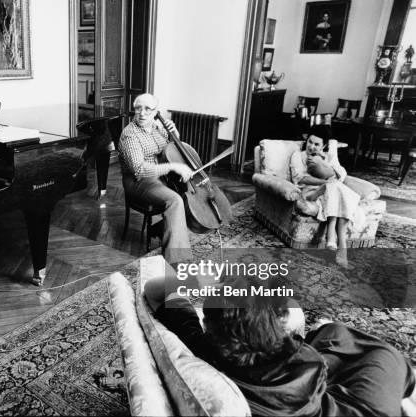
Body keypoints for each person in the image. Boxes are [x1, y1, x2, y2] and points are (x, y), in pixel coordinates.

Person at [144, 265, 416, 416]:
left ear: (208, 324)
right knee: (373, 351)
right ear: (276, 327)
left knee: (330, 334)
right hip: (358, 410)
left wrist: (193, 279)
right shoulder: (307, 362)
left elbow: (153, 290)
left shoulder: (201, 347)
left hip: (298, 391)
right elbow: (303, 340)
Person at [117, 93, 194, 266]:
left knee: (187, 195)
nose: (142, 113)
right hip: (139, 182)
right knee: (175, 200)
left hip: (159, 177)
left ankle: (160, 230)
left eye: (147, 109)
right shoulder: (130, 135)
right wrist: (173, 167)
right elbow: (140, 169)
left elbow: (170, 149)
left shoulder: (158, 128)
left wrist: (175, 134)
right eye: (138, 109)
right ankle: (177, 262)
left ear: (156, 112)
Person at [290, 125, 363, 261]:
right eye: (310, 142)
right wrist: (325, 183)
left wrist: (325, 163)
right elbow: (300, 178)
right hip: (309, 191)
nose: (311, 146)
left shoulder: (326, 157)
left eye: (316, 144)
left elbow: (341, 173)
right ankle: (339, 243)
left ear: (323, 146)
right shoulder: (298, 155)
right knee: (335, 188)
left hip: (328, 192)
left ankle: (338, 243)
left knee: (335, 189)